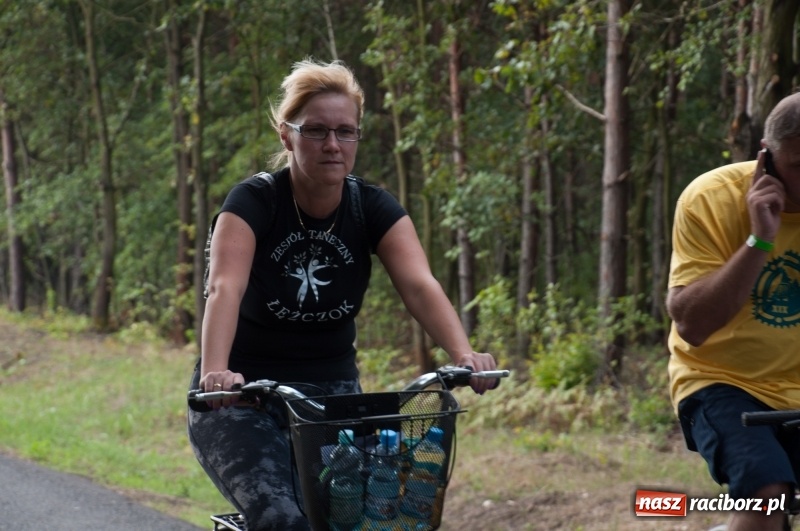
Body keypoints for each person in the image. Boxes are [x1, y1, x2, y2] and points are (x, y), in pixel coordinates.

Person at [187, 58, 498, 531]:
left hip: (332, 400)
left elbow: (419, 284)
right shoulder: (254, 202)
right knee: (281, 520)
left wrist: (463, 354)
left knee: (365, 518)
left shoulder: (371, 207)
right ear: (286, 135)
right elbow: (224, 286)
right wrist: (216, 374)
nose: (332, 144)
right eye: (315, 131)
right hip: (243, 396)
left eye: (345, 131)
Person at [667, 92, 800, 531]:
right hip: (722, 382)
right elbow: (692, 324)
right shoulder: (710, 199)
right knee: (768, 499)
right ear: (767, 158)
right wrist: (760, 240)